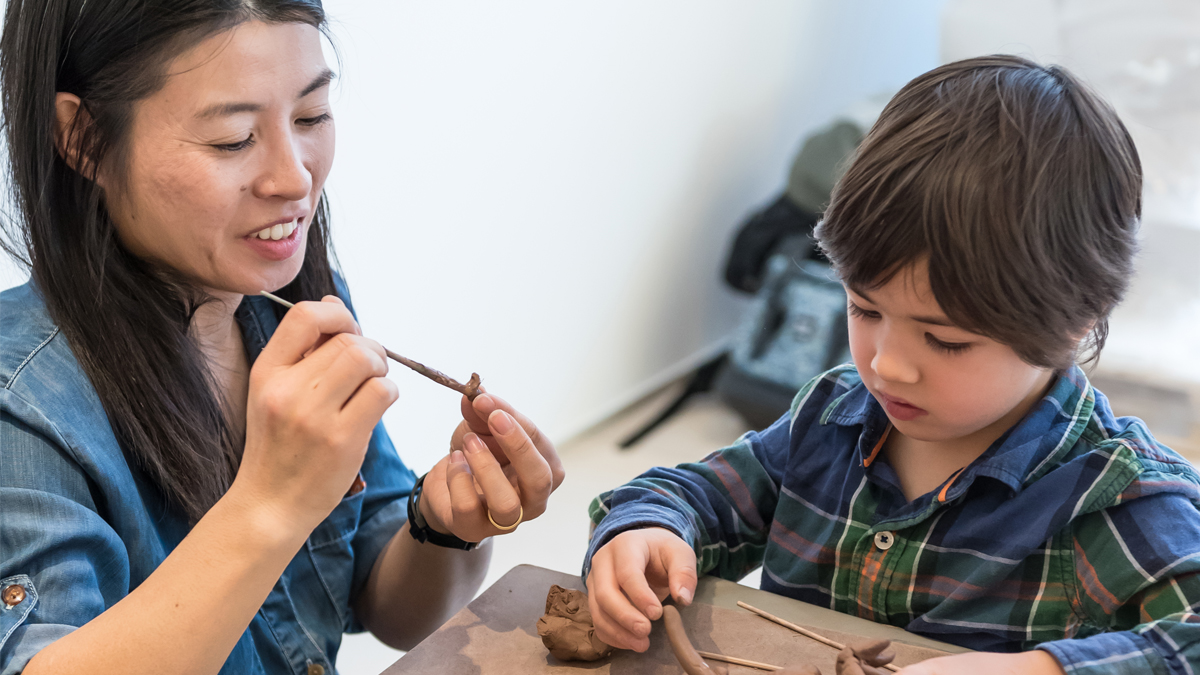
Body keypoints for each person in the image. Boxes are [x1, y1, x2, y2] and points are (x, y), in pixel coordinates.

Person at [583, 55, 1200, 674]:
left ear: (1073, 323)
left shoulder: (1115, 496)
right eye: (863, 309)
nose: (886, 365)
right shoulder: (831, 418)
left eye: (945, 340)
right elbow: (690, 495)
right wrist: (644, 533)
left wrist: (1031, 669)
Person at [0, 2, 564, 674]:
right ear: (83, 137)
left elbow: (387, 603)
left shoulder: (295, 302)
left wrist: (444, 527)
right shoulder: (25, 406)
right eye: (234, 138)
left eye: (311, 116)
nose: (294, 178)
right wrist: (270, 503)